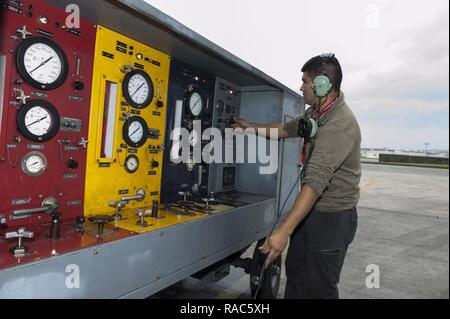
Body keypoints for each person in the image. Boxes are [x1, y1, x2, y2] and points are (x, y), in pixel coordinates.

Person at [232, 53, 361, 299]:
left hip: (333, 219)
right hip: (311, 212)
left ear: (322, 85)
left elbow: (315, 181)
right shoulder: (315, 113)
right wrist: (250, 126)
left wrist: (284, 231)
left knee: (319, 287)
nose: (301, 87)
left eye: (305, 81)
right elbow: (283, 130)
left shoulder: (339, 125)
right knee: (297, 274)